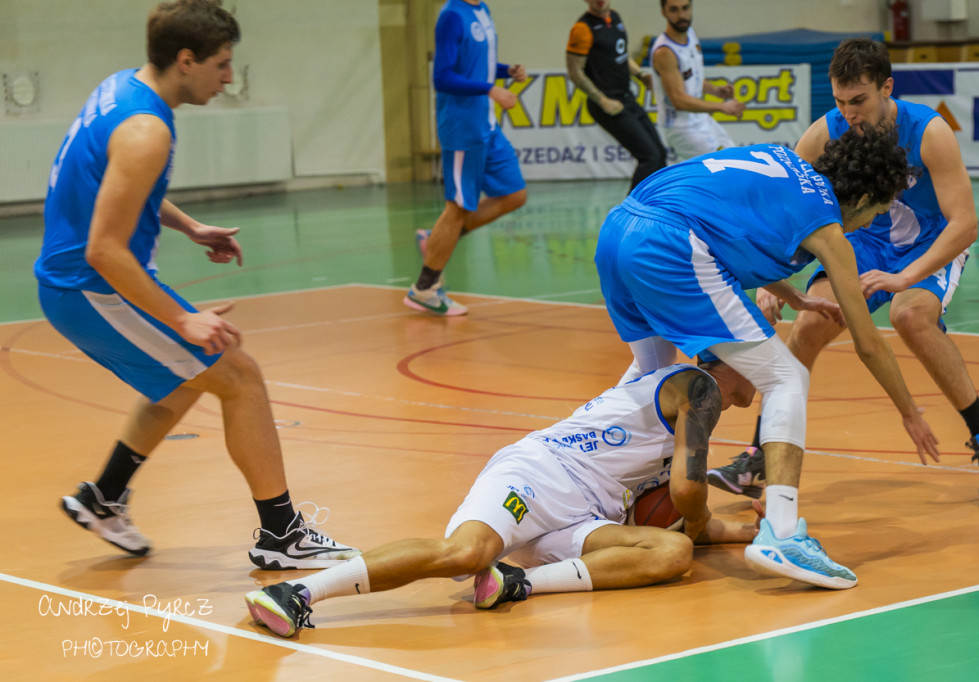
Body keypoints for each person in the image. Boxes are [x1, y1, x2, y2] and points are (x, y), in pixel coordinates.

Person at [36, 0, 357, 569]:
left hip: (80, 284)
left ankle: (104, 497)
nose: (229, 78)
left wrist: (189, 226)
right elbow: (104, 249)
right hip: (89, 287)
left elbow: (115, 186)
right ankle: (282, 535)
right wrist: (184, 318)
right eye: (223, 64)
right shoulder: (147, 129)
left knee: (184, 379)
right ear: (186, 60)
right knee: (238, 373)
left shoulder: (122, 90)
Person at [594, 127, 940, 589]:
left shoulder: (781, 159)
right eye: (876, 212)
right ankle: (781, 530)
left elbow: (725, 227)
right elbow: (868, 342)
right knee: (787, 378)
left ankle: (587, 481)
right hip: (670, 244)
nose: (867, 225)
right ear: (862, 195)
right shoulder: (829, 228)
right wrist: (909, 410)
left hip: (618, 230)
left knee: (651, 377)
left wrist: (793, 296)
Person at [245, 361, 760, 638]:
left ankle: (515, 582)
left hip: (583, 515)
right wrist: (696, 519)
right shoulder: (699, 386)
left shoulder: (690, 407)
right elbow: (688, 496)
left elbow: (684, 521)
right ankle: (297, 593)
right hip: (540, 475)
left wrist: (749, 531)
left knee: (672, 553)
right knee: (464, 553)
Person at [711, 38, 979, 501]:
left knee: (910, 316)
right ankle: (758, 456)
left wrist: (904, 278)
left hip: (928, 242)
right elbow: (785, 209)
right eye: (839, 101)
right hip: (863, 239)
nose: (849, 113)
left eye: (859, 100)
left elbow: (965, 224)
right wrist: (772, 279)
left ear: (887, 88)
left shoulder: (930, 132)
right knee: (810, 323)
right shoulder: (824, 132)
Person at [404, 0, 528, 317]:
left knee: (514, 195)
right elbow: (442, 77)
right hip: (462, 127)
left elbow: (476, 64)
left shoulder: (481, 9)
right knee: (458, 206)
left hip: (485, 124)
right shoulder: (452, 16)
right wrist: (492, 89)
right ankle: (424, 289)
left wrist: (505, 71)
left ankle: (435, 241)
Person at [566, 0, 667, 189]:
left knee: (660, 154)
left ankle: (655, 207)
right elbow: (575, 72)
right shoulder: (582, 29)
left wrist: (640, 74)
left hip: (626, 97)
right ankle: (629, 213)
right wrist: (601, 99)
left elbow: (620, 55)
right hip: (607, 104)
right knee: (649, 157)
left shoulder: (615, 17)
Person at [650, 0, 745, 163]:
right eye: (674, 10)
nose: (681, 16)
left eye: (685, 8)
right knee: (723, 166)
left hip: (700, 119)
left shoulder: (690, 35)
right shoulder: (665, 52)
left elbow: (691, 77)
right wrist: (723, 106)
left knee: (734, 156)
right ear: (663, 12)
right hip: (681, 128)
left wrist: (715, 91)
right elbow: (679, 100)